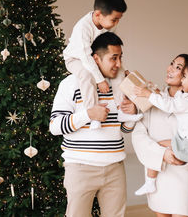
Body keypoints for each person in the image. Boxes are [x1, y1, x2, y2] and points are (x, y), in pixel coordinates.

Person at [50, 32, 138, 217]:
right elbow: (55, 126)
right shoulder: (70, 84)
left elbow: (124, 129)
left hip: (115, 167)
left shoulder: (120, 84)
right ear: (95, 58)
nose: (119, 64)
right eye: (113, 58)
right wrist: (88, 114)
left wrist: (131, 114)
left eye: (120, 57)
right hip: (80, 168)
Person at [131, 54, 188, 217]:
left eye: (179, 69)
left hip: (184, 172)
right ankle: (151, 182)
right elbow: (138, 133)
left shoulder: (186, 101)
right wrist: (162, 154)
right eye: (172, 64)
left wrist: (150, 94)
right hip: (160, 172)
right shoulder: (157, 100)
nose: (171, 69)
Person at [63, 0, 143, 130]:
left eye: (119, 19)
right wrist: (100, 80)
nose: (116, 23)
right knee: (86, 75)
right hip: (76, 59)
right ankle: (93, 112)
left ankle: (121, 110)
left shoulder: (108, 26)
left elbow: (110, 47)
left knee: (119, 72)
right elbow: (86, 58)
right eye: (114, 19)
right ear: (98, 14)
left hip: (96, 58)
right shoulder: (83, 28)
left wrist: (122, 69)